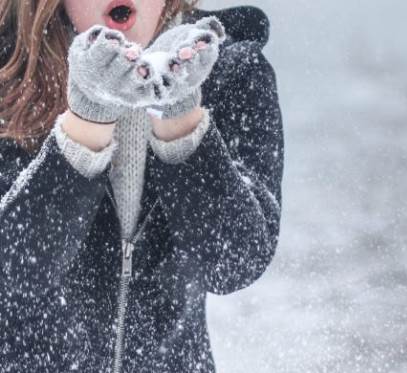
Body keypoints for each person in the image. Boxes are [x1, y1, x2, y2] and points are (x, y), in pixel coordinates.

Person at [0, 0, 284, 371]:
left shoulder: (230, 71)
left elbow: (234, 263)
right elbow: (12, 275)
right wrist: (86, 124)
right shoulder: (10, 73)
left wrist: (182, 119)